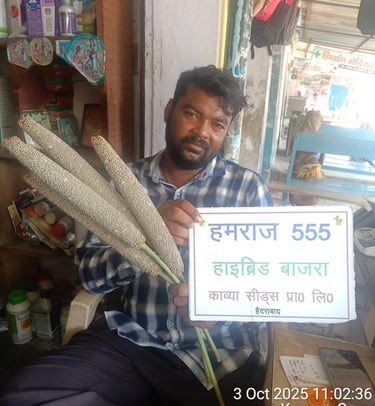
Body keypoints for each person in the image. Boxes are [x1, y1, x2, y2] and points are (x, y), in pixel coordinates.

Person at [0, 65, 273, 405]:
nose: (202, 131)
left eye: (217, 124)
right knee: (20, 395)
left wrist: (221, 307)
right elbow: (90, 275)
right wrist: (141, 239)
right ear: (169, 110)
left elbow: (269, 287)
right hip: (132, 343)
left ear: (227, 131)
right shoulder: (124, 181)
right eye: (192, 113)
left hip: (220, 355)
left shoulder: (247, 189)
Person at [290, 110, 323, 206]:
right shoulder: (319, 138)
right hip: (313, 175)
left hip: (296, 173)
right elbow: (321, 162)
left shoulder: (297, 134)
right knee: (319, 173)